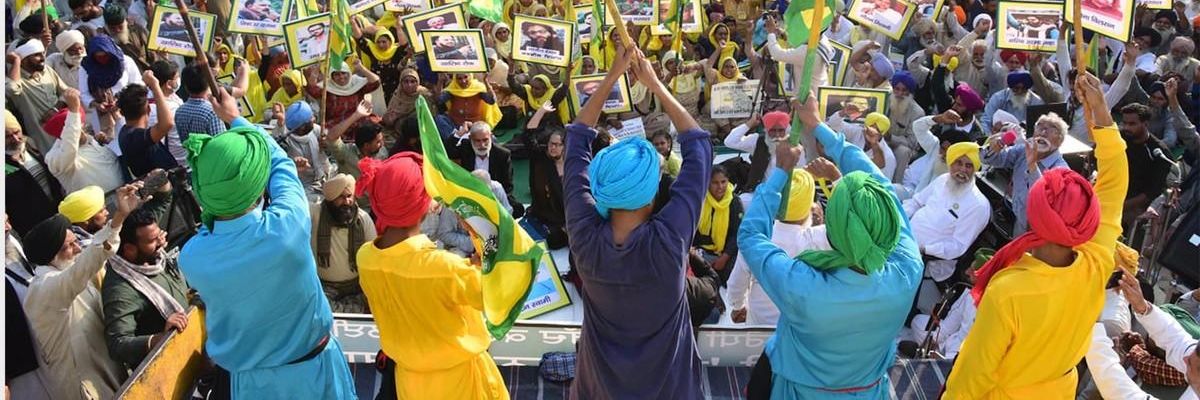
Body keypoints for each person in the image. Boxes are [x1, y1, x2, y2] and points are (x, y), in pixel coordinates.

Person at [943, 71, 1127, 399]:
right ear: (1089, 218)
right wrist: (1100, 110)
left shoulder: (1008, 291)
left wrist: (1099, 112)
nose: (1042, 134)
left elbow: (971, 377)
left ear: (1037, 213)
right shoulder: (1097, 261)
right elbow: (1115, 179)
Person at [737, 91, 921, 399]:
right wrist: (820, 127)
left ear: (832, 229)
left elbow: (751, 237)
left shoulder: (803, 285)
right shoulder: (907, 268)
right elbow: (883, 189)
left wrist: (781, 172)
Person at [178, 87, 357, 398]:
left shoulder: (193, 257)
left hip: (249, 386)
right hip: (317, 375)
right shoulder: (287, 226)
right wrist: (236, 119)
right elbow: (282, 165)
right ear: (258, 183)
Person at [565, 45, 711, 398]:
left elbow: (575, 144)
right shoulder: (669, 239)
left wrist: (611, 77)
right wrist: (655, 85)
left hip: (600, 384)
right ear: (650, 194)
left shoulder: (584, 233)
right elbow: (700, 147)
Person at [354, 152, 508, 399]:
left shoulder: (366, 258)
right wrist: (479, 235)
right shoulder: (445, 268)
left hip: (409, 383)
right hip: (462, 384)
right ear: (422, 203)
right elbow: (499, 296)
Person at [22, 184, 141, 400]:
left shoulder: (68, 272)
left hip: (107, 366)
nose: (78, 249)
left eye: (76, 242)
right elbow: (85, 265)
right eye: (70, 245)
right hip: (84, 384)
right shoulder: (44, 288)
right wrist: (119, 218)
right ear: (51, 254)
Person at [728, 168, 829, 326]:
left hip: (759, 328)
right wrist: (835, 177)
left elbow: (736, 284)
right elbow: (856, 222)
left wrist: (737, 306)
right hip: (804, 330)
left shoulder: (755, 239)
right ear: (808, 206)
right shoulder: (820, 239)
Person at [101, 208, 190, 369]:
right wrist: (159, 338)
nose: (161, 242)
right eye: (152, 240)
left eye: (159, 236)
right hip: (173, 366)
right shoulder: (121, 289)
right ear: (129, 249)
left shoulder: (155, 257)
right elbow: (117, 345)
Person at [903, 142, 990, 284]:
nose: (962, 169)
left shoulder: (978, 205)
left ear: (975, 169)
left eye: (968, 166)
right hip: (905, 239)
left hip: (926, 261)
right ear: (950, 164)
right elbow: (916, 202)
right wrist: (899, 218)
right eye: (958, 163)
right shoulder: (943, 179)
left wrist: (924, 249)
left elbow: (958, 246)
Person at [981, 112, 1071, 235]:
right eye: (1040, 127)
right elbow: (989, 159)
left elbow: (1043, 199)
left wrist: (1032, 165)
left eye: (1052, 129)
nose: (1043, 133)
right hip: (1020, 222)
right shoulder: (1024, 150)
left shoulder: (1062, 170)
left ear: (1060, 141)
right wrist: (993, 148)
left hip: (1041, 233)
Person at [310, 174, 375, 314]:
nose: (347, 201)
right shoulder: (315, 214)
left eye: (349, 196)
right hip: (326, 287)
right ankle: (353, 309)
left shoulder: (362, 219)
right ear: (330, 199)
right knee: (316, 305)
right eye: (341, 197)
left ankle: (346, 309)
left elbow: (374, 256)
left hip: (357, 286)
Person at [44, 88, 124, 194]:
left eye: (80, 123)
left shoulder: (94, 141)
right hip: (100, 207)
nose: (80, 128)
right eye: (76, 124)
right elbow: (70, 146)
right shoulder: (53, 158)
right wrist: (73, 111)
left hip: (126, 194)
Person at [6, 110, 66, 237]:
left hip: (58, 215)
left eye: (17, 132)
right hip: (35, 229)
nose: (15, 139)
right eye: (7, 136)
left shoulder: (29, 145)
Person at [1118, 103, 1174, 231]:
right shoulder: (1119, 137)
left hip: (1135, 203)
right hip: (1113, 190)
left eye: (1132, 124)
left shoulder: (1159, 153)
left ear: (1146, 123)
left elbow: (1150, 192)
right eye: (1125, 123)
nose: (1127, 127)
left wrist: (1121, 206)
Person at [7, 38, 68, 153]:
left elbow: (68, 93)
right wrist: (16, 60)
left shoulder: (47, 71)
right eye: (36, 55)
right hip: (46, 141)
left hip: (66, 132)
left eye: (42, 54)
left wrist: (56, 108)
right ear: (23, 60)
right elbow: (11, 89)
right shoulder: (15, 81)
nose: (43, 58)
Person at [80, 35, 144, 139]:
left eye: (105, 56)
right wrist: (96, 104)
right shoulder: (86, 67)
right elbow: (83, 93)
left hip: (127, 112)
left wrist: (121, 101)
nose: (102, 60)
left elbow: (138, 85)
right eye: (98, 57)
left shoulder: (125, 62)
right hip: (102, 118)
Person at [455, 122, 523, 218]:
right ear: (470, 139)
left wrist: (492, 201)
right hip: (470, 195)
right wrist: (459, 134)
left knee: (518, 209)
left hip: (494, 195)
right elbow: (447, 151)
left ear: (490, 137)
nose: (482, 145)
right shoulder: (465, 148)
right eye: (477, 141)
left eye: (485, 140)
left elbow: (507, 186)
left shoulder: (502, 154)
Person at [117, 72, 178, 178]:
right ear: (149, 109)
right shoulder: (135, 137)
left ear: (122, 113)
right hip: (160, 190)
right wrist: (155, 86)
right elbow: (167, 123)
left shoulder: (124, 132)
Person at [694, 165, 743, 283]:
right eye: (715, 183)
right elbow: (692, 229)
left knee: (728, 280)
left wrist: (724, 258)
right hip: (701, 251)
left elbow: (736, 234)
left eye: (723, 182)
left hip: (725, 253)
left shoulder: (734, 202)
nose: (720, 187)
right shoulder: (701, 199)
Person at [275, 101, 331, 201]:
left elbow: (332, 143)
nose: (314, 119)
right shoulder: (285, 139)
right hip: (305, 186)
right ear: (302, 127)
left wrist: (327, 144)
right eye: (310, 118)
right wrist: (280, 121)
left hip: (327, 176)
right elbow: (277, 137)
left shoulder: (317, 130)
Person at [305, 59, 382, 131]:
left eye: (343, 73)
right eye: (337, 74)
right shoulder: (328, 87)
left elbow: (376, 82)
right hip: (337, 123)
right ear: (332, 76)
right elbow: (312, 90)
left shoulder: (356, 82)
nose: (341, 77)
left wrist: (361, 68)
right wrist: (315, 73)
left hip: (359, 119)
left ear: (348, 72)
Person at [524, 129, 569, 249]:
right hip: (546, 215)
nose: (553, 147)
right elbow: (528, 137)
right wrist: (541, 111)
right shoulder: (541, 160)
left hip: (569, 215)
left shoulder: (573, 163)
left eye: (558, 144)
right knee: (552, 240)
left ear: (565, 146)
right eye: (551, 144)